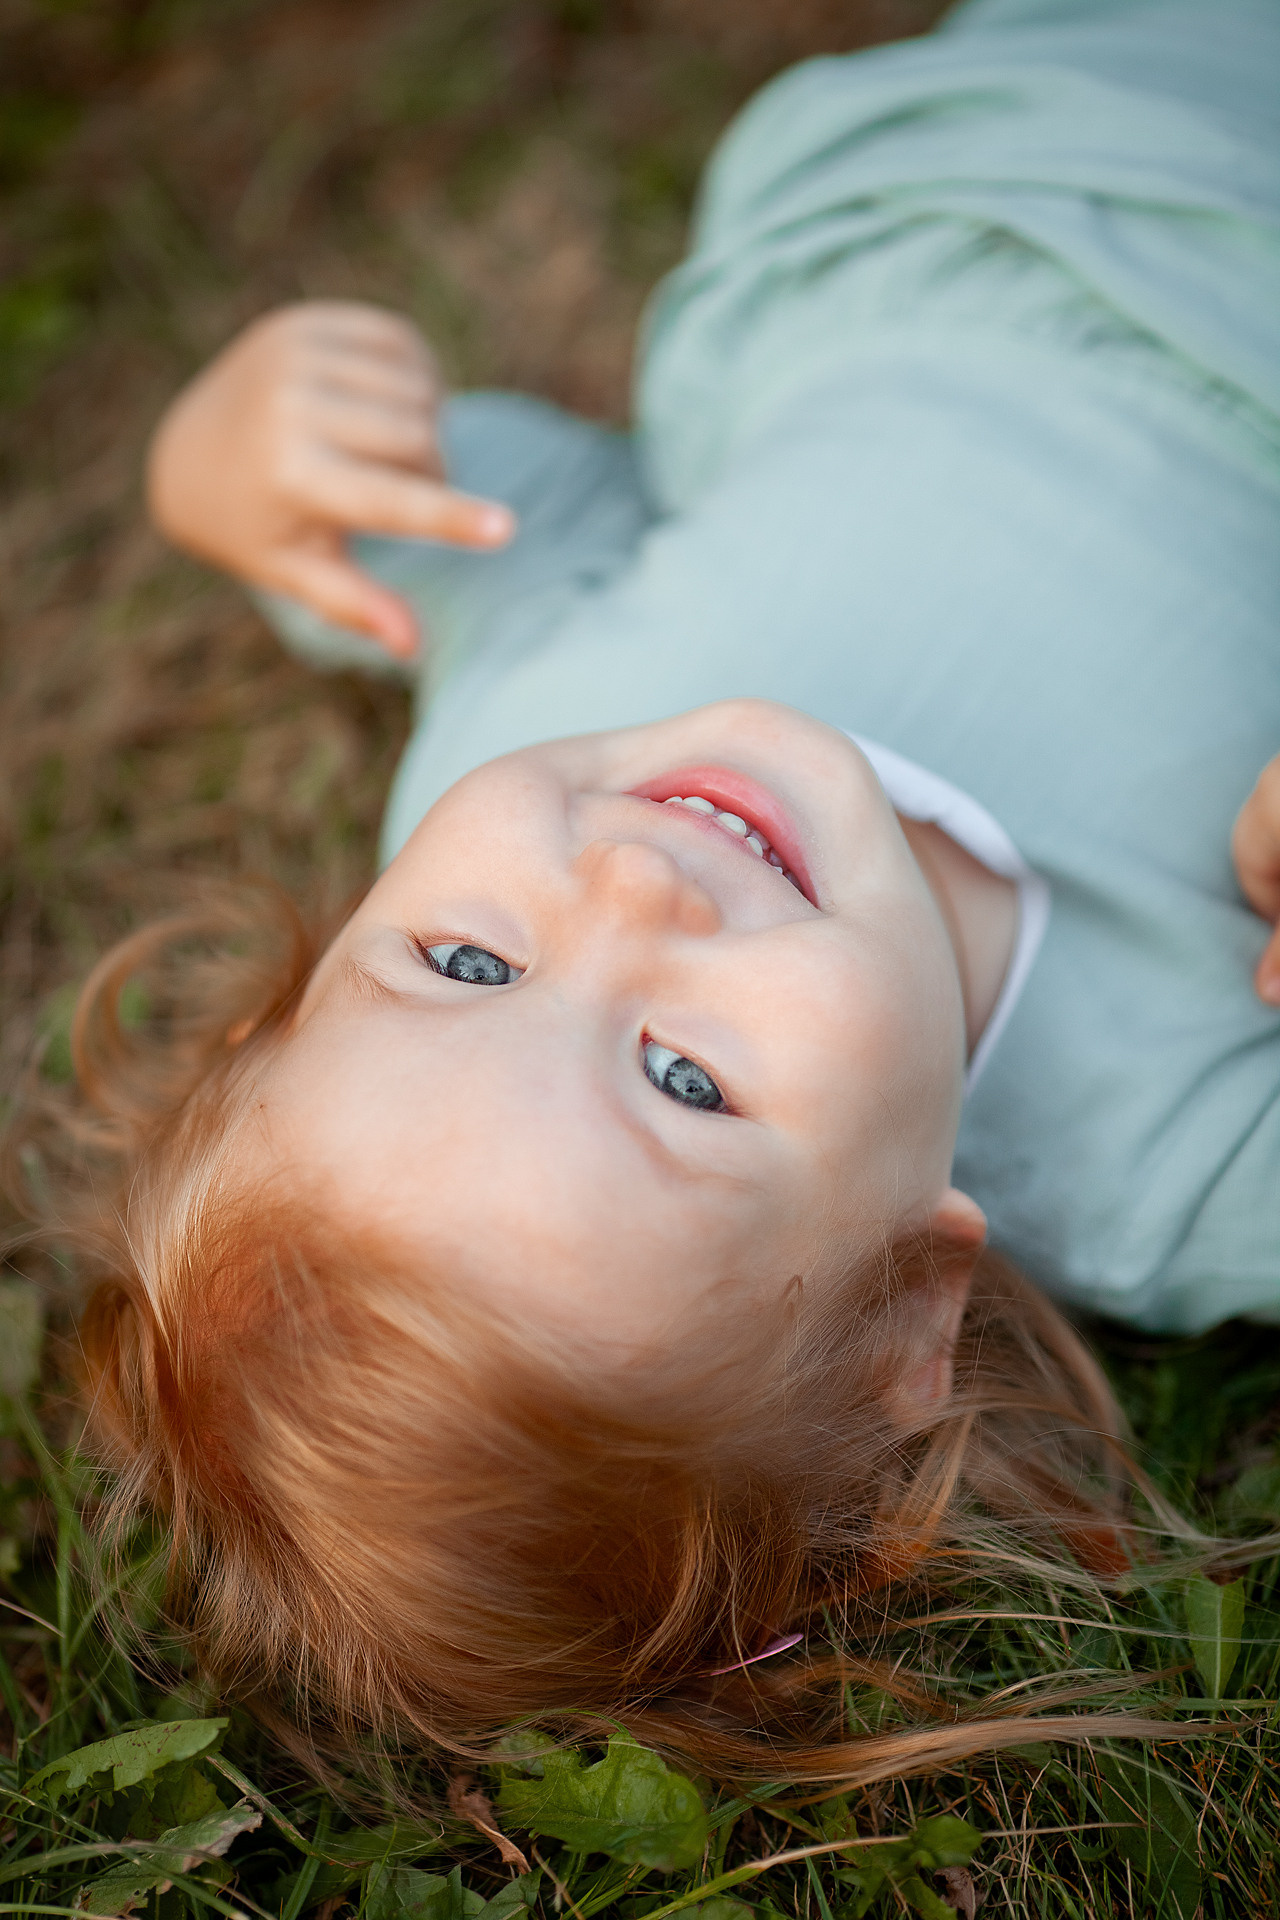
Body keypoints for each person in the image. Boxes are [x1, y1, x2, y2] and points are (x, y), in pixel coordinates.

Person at [63, 0, 1279, 1782]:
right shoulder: (1177, 1158)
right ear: (908, 1315)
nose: (631, 884)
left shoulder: (529, 725)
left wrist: (223, 462)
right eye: (685, 1084)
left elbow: (456, 522)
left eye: (466, 959)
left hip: (972, 138)